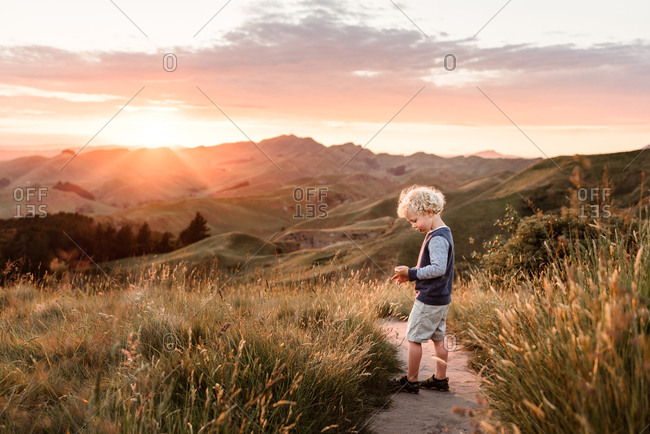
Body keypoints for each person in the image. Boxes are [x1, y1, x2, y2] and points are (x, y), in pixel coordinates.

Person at [390, 185, 454, 394]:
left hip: (429, 299)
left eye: (414, 220)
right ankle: (440, 379)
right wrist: (410, 276)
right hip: (441, 298)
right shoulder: (443, 232)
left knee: (414, 338)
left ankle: (411, 381)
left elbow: (437, 268)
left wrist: (411, 272)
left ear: (429, 212)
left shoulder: (436, 238)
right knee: (438, 338)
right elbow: (436, 269)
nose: (413, 226)